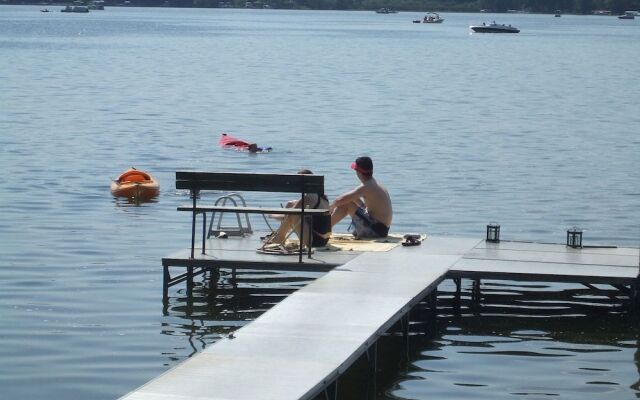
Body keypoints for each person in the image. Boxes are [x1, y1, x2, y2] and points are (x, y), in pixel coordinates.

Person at [260, 169, 331, 250]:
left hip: (315, 240)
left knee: (294, 214)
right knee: (291, 204)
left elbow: (288, 216)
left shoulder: (308, 198)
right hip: (323, 238)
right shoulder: (321, 196)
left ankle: (279, 238)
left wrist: (271, 215)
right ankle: (279, 237)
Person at [330, 156, 392, 238]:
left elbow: (340, 200)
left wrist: (329, 208)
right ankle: (326, 227)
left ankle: (322, 229)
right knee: (351, 197)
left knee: (344, 203)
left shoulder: (366, 186)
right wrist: (363, 206)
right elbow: (352, 196)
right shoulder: (373, 184)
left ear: (358, 172)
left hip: (376, 231)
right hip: (381, 229)